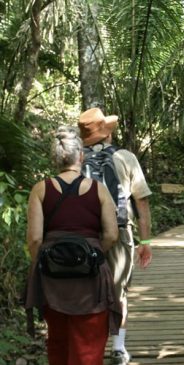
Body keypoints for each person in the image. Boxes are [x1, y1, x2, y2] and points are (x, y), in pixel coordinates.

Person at [25, 126, 122, 365]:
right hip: (90, 281)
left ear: (56, 159)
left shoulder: (40, 189)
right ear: (81, 156)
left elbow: (35, 239)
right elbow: (111, 234)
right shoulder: (98, 190)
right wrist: (94, 254)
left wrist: (45, 264)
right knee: (89, 344)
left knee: (58, 341)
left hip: (53, 280)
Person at [78, 107, 152, 365]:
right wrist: (145, 242)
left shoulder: (75, 159)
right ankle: (118, 348)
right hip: (120, 232)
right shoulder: (126, 157)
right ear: (108, 134)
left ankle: (89, 345)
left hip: (85, 234)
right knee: (118, 290)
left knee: (87, 289)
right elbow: (141, 203)